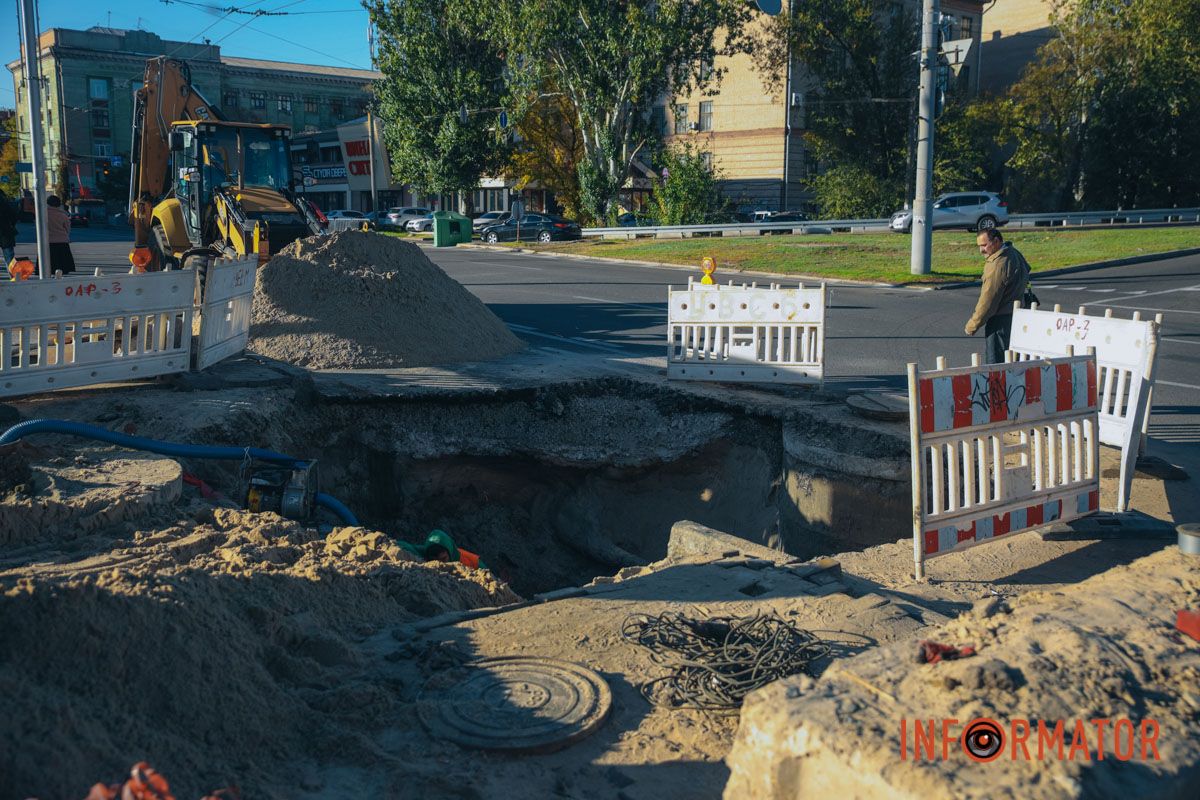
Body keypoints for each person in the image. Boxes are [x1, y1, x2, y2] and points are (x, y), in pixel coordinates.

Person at [965, 228, 1029, 363]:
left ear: (996, 241)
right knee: (1013, 362)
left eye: (984, 245)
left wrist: (973, 325)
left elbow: (988, 300)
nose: (981, 250)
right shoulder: (1014, 253)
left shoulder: (998, 264)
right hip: (1017, 316)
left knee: (996, 365)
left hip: (1000, 321)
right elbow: (1027, 270)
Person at [45, 195, 76, 275]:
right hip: (62, 241)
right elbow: (67, 228)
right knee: (63, 266)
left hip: (47, 241)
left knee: (48, 265)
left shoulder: (43, 214)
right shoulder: (63, 215)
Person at [0, 198, 17, 277]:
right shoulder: (4, 201)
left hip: (5, 231)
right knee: (9, 257)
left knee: (9, 256)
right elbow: (14, 215)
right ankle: (13, 276)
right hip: (6, 231)